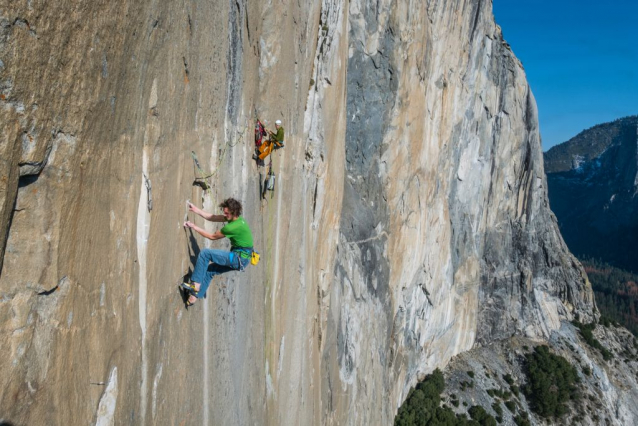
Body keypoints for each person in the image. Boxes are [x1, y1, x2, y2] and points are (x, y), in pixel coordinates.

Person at [181, 198, 254, 306]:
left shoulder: (232, 227)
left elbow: (212, 236)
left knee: (205, 254)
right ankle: (193, 297)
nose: (225, 214)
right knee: (211, 270)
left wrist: (194, 227)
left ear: (233, 212)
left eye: (227, 213)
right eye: (224, 212)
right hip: (243, 260)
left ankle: (195, 285)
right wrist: (196, 210)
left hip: (238, 258)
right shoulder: (237, 219)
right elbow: (213, 217)